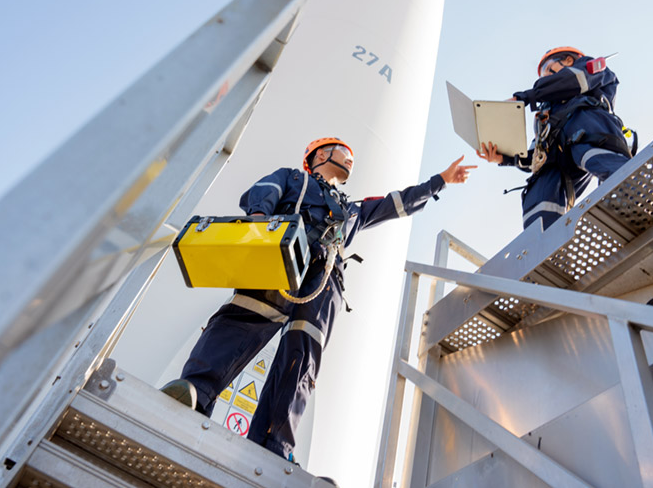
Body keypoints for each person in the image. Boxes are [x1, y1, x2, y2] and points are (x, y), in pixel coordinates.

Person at [161, 137, 476, 460]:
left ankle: (274, 443)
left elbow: (396, 202)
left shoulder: (352, 210)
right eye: (345, 153)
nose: (351, 159)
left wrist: (441, 181)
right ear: (321, 154)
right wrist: (259, 218)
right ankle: (197, 392)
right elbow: (265, 190)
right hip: (282, 251)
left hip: (324, 279)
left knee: (303, 352)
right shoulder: (294, 178)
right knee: (242, 320)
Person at [477, 46, 631, 230]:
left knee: (592, 150)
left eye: (547, 70)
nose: (543, 78)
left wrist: (525, 97)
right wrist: (505, 158)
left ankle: (633, 198)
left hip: (588, 130)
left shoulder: (593, 68)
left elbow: (570, 81)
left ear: (567, 60)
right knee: (542, 181)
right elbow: (537, 155)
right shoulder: (547, 111)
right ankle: (542, 242)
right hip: (559, 155)